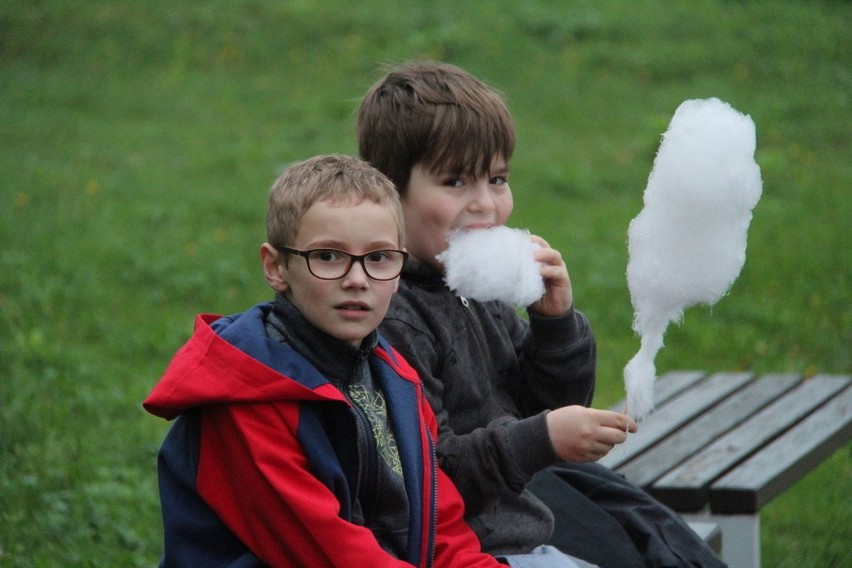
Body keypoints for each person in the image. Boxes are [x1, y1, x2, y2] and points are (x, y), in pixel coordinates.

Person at [358, 61, 727, 568]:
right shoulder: (393, 318)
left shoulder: (473, 291)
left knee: (658, 538)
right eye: (455, 181)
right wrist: (543, 437)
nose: (485, 204)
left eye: (497, 178)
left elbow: (549, 404)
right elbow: (429, 476)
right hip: (472, 547)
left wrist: (555, 324)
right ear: (389, 193)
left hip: (520, 515)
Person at [143, 155, 507, 567]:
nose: (357, 278)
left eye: (379, 258)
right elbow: (330, 555)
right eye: (329, 257)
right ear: (276, 266)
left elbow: (441, 530)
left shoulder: (397, 379)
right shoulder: (246, 402)